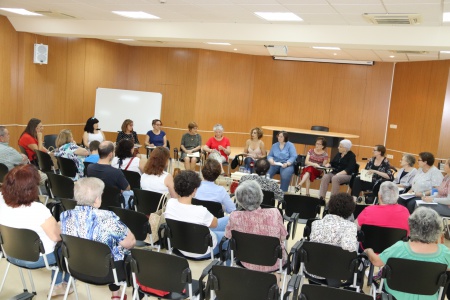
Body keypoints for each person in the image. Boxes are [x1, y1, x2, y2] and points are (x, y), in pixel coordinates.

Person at [0, 165, 71, 297]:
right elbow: (57, 237)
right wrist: (62, 225)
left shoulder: (2, 204)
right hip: (37, 258)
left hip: (11, 254)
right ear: (31, 189)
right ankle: (60, 285)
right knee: (67, 245)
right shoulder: (38, 209)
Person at [60, 177, 136, 300]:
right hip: (107, 273)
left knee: (108, 248)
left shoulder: (65, 215)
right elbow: (130, 243)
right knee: (122, 252)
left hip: (76, 267)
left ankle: (116, 294)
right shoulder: (106, 217)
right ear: (96, 200)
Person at [365, 207, 450, 300]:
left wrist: (369, 251)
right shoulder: (444, 252)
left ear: (412, 226)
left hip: (395, 297)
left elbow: (376, 262)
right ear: (438, 229)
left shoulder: (399, 248)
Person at [164, 170, 229, 259]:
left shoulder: (170, 203)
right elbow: (215, 224)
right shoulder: (201, 211)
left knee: (227, 221)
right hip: (203, 250)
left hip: (180, 247)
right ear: (194, 190)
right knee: (232, 233)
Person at [225, 180, 287, 272]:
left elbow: (228, 236)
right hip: (274, 262)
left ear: (239, 199)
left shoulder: (235, 216)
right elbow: (283, 237)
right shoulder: (274, 213)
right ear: (260, 196)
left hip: (246, 261)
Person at [308, 193, 357, 280]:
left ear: (330, 206)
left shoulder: (315, 223)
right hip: (337, 274)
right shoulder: (350, 226)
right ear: (350, 210)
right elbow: (350, 249)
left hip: (313, 271)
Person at [87, 141, 131, 206]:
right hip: (113, 205)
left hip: (95, 201)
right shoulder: (116, 172)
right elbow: (127, 188)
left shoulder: (89, 168)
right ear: (110, 154)